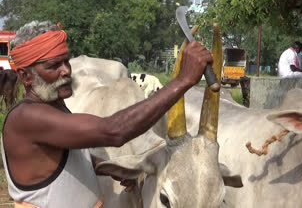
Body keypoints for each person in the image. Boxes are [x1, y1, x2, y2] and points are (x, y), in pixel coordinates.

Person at [1, 20, 212, 208]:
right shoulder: (27, 118)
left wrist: (108, 167)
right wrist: (183, 80)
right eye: (54, 65)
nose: (66, 70)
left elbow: (64, 160)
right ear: (26, 76)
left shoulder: (53, 105)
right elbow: (113, 131)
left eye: (66, 60)